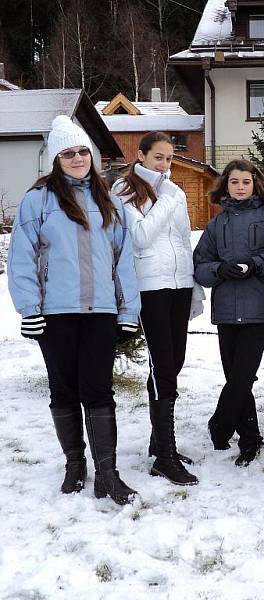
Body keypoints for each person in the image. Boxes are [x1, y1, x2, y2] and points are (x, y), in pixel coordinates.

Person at [8, 115, 141, 505]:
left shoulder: (109, 201)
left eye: (83, 151)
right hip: (55, 314)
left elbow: (123, 261)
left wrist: (128, 311)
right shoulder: (38, 201)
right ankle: (74, 464)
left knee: (99, 392)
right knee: (63, 390)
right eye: (69, 153)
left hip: (100, 312)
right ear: (56, 158)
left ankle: (108, 473)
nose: (78, 157)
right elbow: (22, 258)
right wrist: (29, 308)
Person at [113, 131, 202, 486]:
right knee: (162, 366)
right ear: (141, 155)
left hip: (178, 285)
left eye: (169, 158)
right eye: (158, 158)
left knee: (174, 363)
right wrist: (164, 197)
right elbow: (139, 237)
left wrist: (193, 288)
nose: (164, 165)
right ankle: (165, 456)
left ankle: (158, 442)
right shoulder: (125, 189)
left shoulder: (175, 191)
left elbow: (183, 239)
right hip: (150, 287)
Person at [193, 159, 264, 466]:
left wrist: (256, 264)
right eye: (235, 182)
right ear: (226, 185)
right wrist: (220, 269)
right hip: (226, 309)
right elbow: (201, 267)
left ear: (256, 184)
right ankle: (250, 438)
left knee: (243, 376)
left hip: (259, 307)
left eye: (246, 181)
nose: (241, 187)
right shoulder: (216, 224)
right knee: (235, 376)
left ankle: (221, 424)